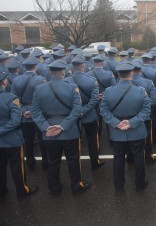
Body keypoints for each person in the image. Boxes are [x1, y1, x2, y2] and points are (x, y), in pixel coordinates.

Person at [31, 59, 91, 195]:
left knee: (53, 161)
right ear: (63, 71)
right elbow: (77, 110)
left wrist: (46, 127)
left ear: (51, 72)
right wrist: (63, 126)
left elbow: (35, 111)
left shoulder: (40, 88)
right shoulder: (71, 87)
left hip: (49, 131)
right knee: (73, 159)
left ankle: (54, 188)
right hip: (69, 130)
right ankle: (76, 186)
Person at [100, 62, 151, 193]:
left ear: (118, 75)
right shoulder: (140, 91)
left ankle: (119, 186)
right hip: (136, 129)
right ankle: (140, 184)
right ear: (131, 74)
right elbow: (146, 111)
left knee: (118, 158)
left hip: (117, 131)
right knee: (138, 157)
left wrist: (116, 123)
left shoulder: (109, 91)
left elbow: (104, 111)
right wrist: (131, 123)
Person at [0, 71, 39, 201]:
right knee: (17, 167)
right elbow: (16, 121)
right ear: (4, 82)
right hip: (12, 140)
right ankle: (22, 190)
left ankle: (2, 190)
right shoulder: (11, 98)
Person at [65, 55, 105, 170]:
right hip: (89, 114)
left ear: (72, 67)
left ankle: (77, 167)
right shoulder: (91, 80)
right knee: (92, 139)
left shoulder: (67, 81)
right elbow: (94, 100)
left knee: (74, 142)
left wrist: (77, 111)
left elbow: (66, 99)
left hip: (73, 114)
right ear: (83, 65)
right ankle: (94, 161)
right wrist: (84, 110)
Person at [11, 57, 48, 169]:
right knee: (42, 139)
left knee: (28, 140)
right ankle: (45, 162)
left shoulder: (16, 80)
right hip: (38, 113)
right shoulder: (41, 79)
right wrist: (33, 111)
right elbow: (44, 98)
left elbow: (13, 99)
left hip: (23, 114)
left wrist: (23, 111)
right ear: (35, 66)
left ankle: (30, 162)